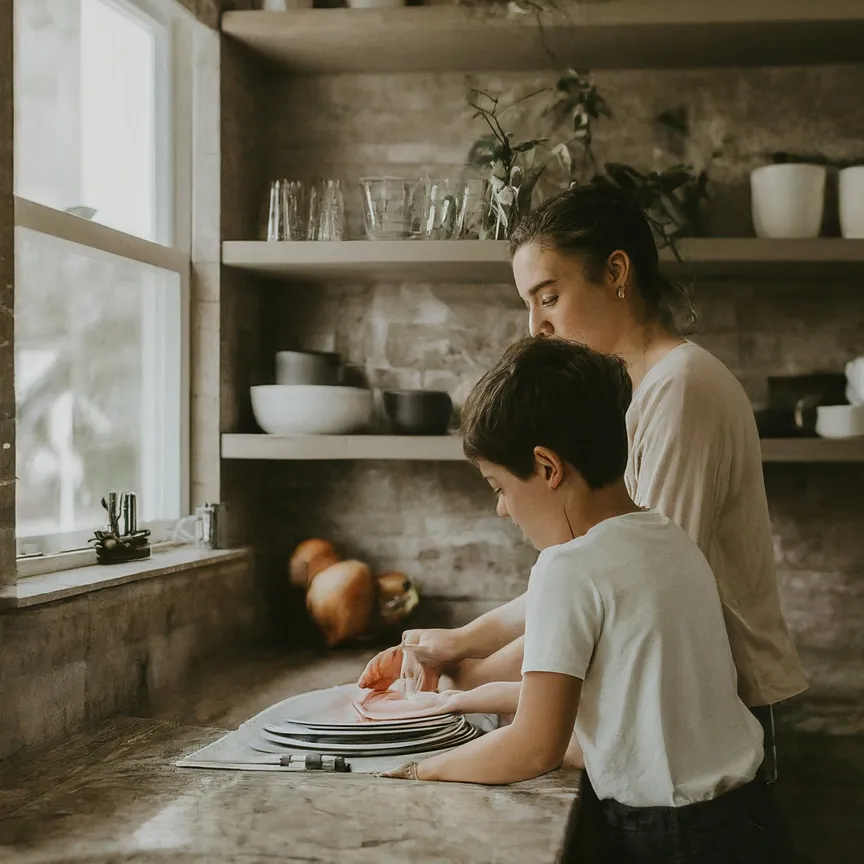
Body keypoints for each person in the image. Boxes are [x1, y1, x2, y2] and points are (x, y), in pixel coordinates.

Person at [359, 184, 807, 776]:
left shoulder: (681, 389)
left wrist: (469, 667)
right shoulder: (628, 391)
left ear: (617, 272)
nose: (536, 325)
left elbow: (625, 588)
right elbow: (593, 574)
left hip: (724, 709)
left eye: (549, 296)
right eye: (527, 303)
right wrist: (463, 643)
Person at [376, 337, 793, 864]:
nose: (502, 509)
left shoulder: (566, 568)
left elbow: (535, 746)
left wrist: (419, 770)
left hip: (670, 838)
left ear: (548, 468)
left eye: (498, 486)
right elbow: (614, 704)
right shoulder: (665, 536)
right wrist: (460, 698)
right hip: (748, 815)